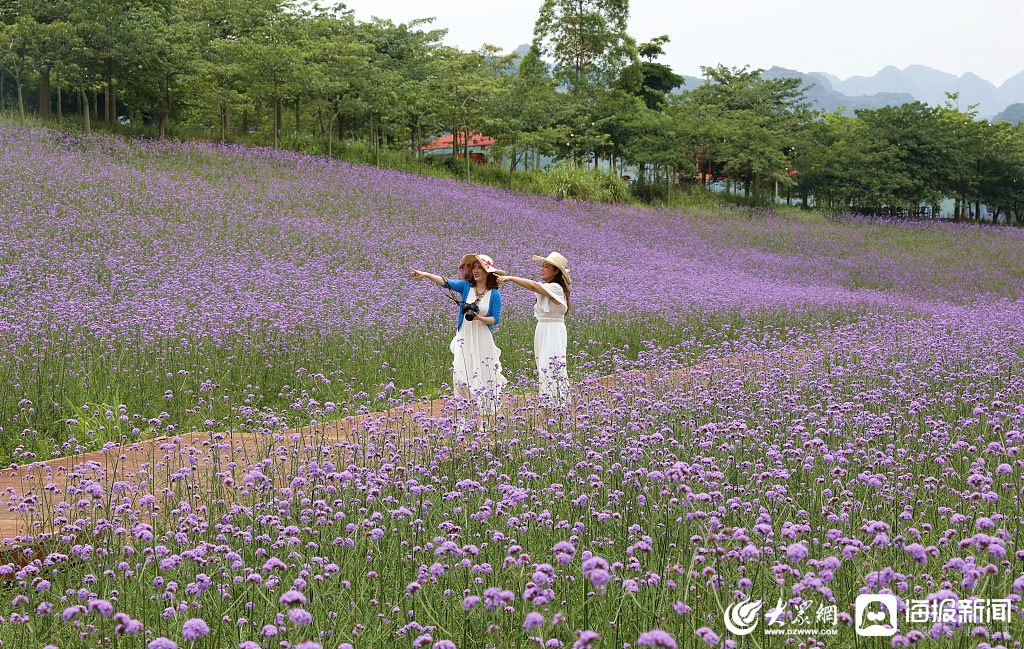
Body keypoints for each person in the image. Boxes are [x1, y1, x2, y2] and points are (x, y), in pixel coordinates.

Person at [411, 255, 508, 428]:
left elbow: (496, 319)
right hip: (465, 336)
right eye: (475, 267)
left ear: (488, 272)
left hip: (482, 338)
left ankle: (483, 423)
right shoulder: (465, 287)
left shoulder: (494, 294)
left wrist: (479, 318)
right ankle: (463, 420)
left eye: (481, 268)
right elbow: (446, 282)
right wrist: (425, 274)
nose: (476, 271)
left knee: (483, 376)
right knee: (460, 376)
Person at [498, 252, 571, 408]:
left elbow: (533, 286)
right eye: (542, 266)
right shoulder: (547, 287)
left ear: (556, 271)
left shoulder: (556, 288)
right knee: (543, 363)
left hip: (553, 329)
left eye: (546, 267)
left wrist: (511, 278)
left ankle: (557, 401)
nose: (542, 270)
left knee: (552, 362)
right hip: (543, 328)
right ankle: (549, 400)